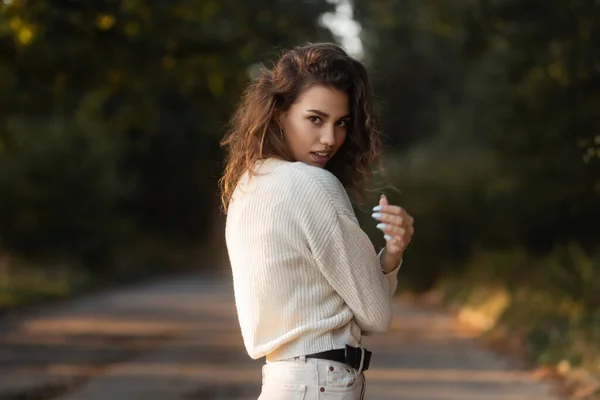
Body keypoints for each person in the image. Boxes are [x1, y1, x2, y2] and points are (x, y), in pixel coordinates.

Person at [219, 42, 415, 400]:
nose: (330, 140)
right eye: (315, 119)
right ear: (280, 113)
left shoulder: (246, 187)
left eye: (340, 123)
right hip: (321, 384)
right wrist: (390, 263)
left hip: (284, 381)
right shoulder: (313, 184)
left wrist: (390, 254)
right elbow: (375, 314)